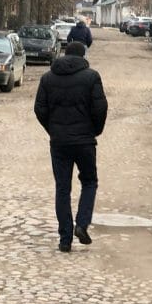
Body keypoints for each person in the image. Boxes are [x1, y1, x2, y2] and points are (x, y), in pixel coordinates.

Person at [33, 40, 108, 252]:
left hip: (59, 143)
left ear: (66, 54)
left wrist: (53, 129)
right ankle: (82, 224)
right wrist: (95, 130)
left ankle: (64, 239)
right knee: (90, 182)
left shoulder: (48, 78)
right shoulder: (92, 77)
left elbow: (39, 108)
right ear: (83, 56)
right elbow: (100, 107)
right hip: (85, 141)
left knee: (62, 188)